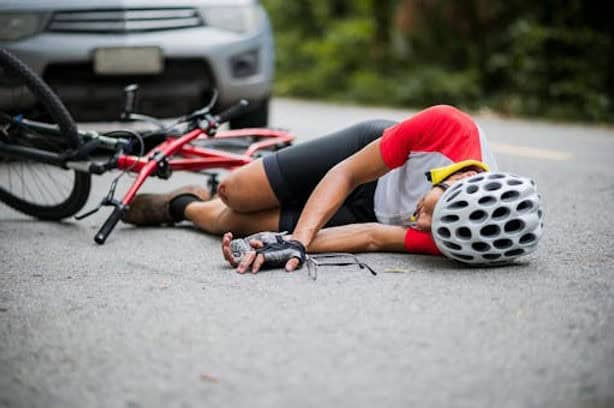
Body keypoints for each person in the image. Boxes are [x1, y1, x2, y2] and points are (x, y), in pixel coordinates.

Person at [121, 105, 541, 273]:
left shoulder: (458, 235)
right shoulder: (448, 128)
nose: (421, 222)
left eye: (430, 227)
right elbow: (345, 175)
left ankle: (182, 204)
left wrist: (282, 246)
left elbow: (373, 236)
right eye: (430, 211)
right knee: (234, 192)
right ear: (459, 181)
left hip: (369, 214)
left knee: (235, 222)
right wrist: (302, 238)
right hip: (365, 164)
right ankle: (223, 184)